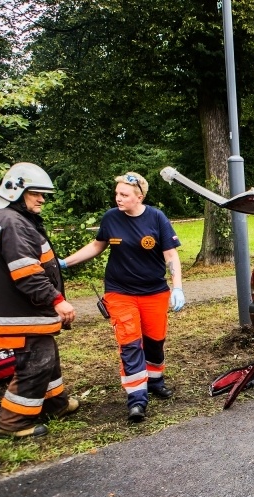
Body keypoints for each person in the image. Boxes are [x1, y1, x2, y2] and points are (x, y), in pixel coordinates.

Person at [61, 172, 185, 423]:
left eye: (124, 194)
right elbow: (97, 245)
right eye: (117, 193)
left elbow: (171, 256)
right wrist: (64, 262)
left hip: (154, 292)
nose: (118, 198)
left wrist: (178, 287)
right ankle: (137, 399)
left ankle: (155, 380)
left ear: (139, 196)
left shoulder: (156, 217)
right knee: (129, 343)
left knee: (155, 340)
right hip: (120, 292)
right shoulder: (111, 218)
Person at [0, 163, 79, 438]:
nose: (42, 199)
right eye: (36, 193)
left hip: (23, 310)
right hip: (20, 313)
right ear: (15, 191)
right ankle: (13, 422)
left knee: (47, 356)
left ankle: (55, 403)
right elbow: (26, 273)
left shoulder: (10, 219)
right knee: (36, 362)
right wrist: (57, 300)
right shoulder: (13, 222)